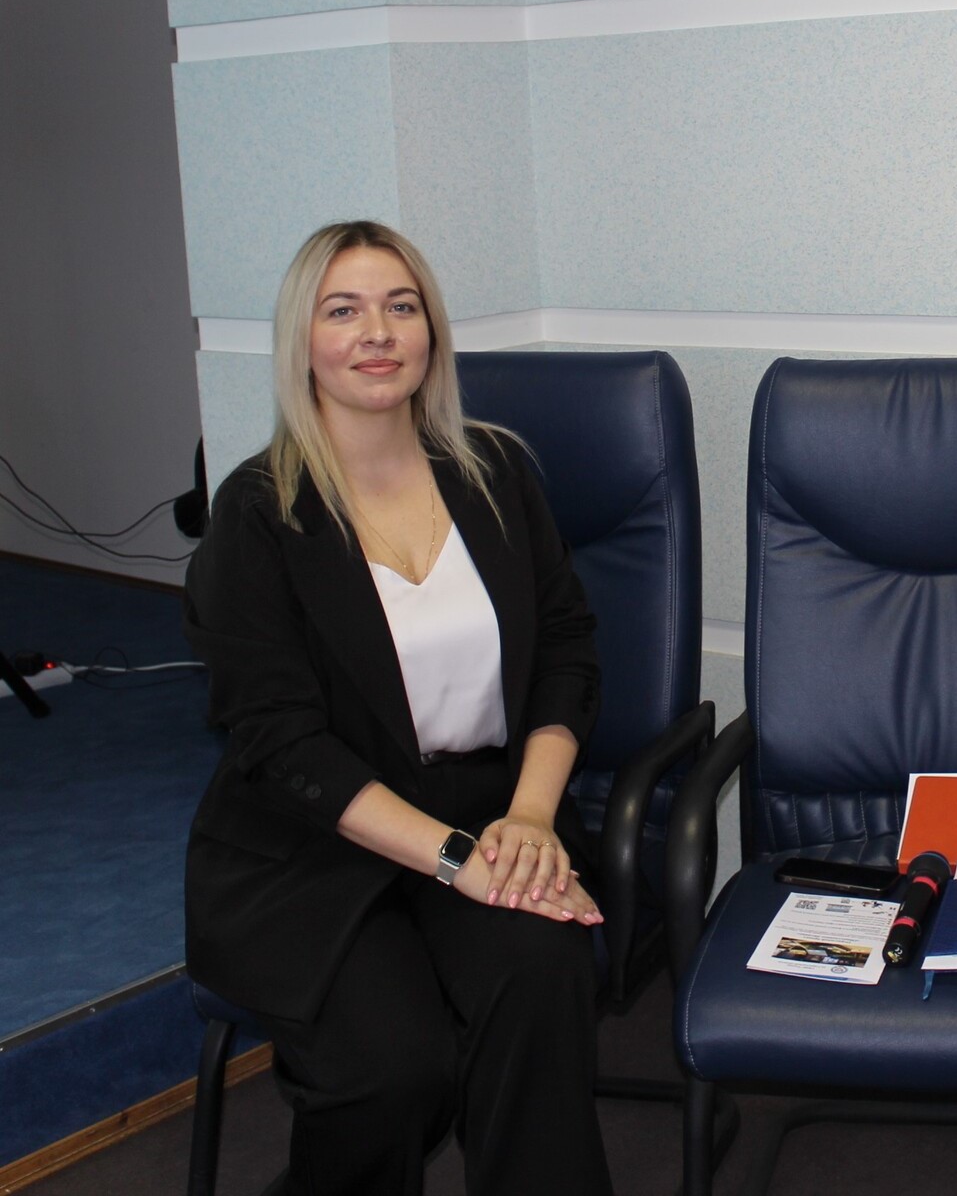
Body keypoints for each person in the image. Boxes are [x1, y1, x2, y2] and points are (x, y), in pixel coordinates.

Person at [183, 221, 614, 1196]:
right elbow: (283, 744)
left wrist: (531, 819)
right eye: (343, 310)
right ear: (304, 342)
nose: (377, 331)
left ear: (431, 333)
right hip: (315, 843)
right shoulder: (256, 514)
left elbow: (567, 651)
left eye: (401, 306)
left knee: (540, 975)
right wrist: (459, 862)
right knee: (393, 1070)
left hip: (491, 810)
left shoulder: (496, 472)